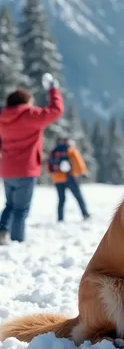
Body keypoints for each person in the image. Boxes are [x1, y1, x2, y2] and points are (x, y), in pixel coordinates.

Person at [0, 73, 64, 244]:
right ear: (26, 102)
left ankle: (2, 231)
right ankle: (17, 241)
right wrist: (53, 89)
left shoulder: (2, 118)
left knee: (10, 205)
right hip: (26, 169)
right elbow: (56, 111)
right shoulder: (30, 115)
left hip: (6, 170)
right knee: (21, 209)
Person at [48, 138, 90, 222]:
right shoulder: (70, 150)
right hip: (70, 177)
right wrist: (83, 172)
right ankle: (85, 214)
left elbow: (49, 167)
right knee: (78, 197)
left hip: (58, 179)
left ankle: (60, 218)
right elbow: (78, 162)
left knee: (61, 200)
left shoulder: (54, 151)